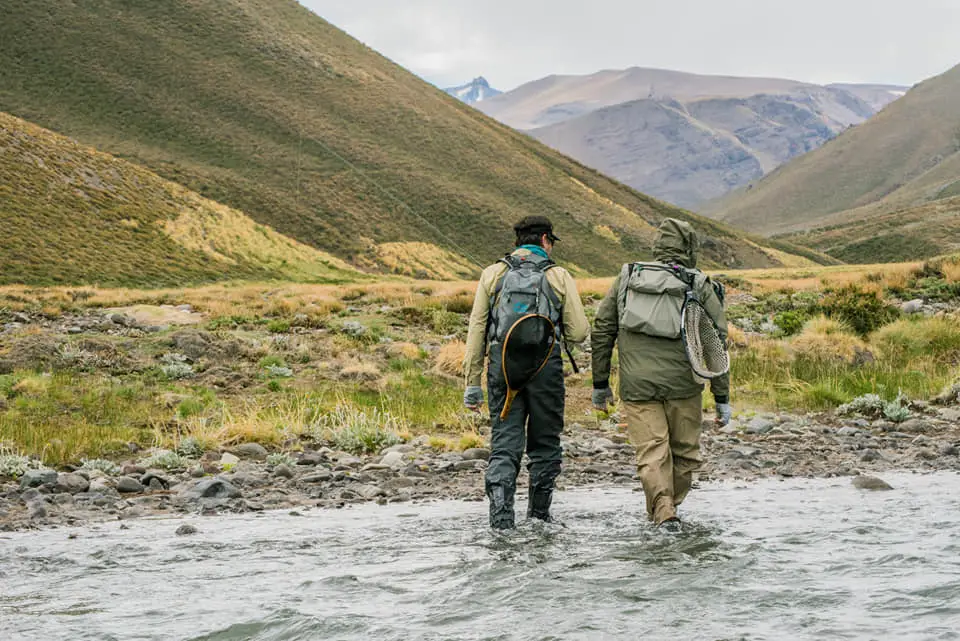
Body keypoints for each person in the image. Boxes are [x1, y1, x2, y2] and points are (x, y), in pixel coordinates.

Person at [590, 218, 731, 529]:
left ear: (657, 246)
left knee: (652, 452)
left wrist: (600, 384)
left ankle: (662, 511)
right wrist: (722, 396)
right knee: (685, 455)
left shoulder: (628, 276)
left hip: (638, 386)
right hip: (684, 387)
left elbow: (602, 330)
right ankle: (667, 511)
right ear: (690, 248)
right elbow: (716, 343)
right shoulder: (698, 283)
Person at [463, 216, 589, 529]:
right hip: (546, 369)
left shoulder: (493, 273)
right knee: (545, 445)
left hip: (503, 368)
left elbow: (477, 330)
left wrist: (472, 384)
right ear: (546, 239)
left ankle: (502, 523)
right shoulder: (558, 275)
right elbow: (577, 332)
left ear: (518, 241)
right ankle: (539, 520)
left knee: (505, 445)